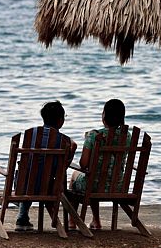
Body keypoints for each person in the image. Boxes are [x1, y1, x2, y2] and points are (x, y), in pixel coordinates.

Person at [68, 98, 131, 230]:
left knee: (77, 175)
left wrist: (87, 141)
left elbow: (83, 164)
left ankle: (72, 221)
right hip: (118, 186)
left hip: (94, 186)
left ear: (104, 116)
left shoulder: (93, 136)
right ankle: (95, 221)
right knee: (96, 176)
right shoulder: (128, 137)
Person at [15, 100, 77, 231]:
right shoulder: (64, 140)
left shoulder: (30, 135)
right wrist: (73, 149)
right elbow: (62, 169)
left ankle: (22, 216)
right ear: (61, 120)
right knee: (43, 176)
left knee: (28, 174)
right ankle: (50, 220)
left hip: (23, 187)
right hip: (49, 187)